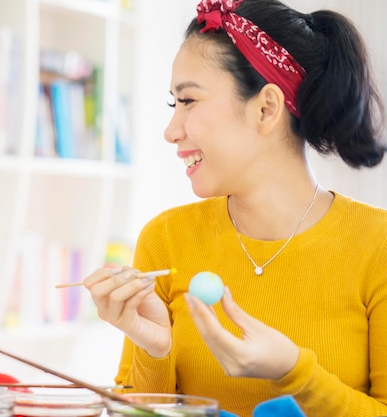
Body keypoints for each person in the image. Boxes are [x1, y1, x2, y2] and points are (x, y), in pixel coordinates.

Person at [83, 0, 387, 416]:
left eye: (187, 100)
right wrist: (153, 351)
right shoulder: (165, 240)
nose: (171, 131)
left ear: (266, 108)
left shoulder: (377, 245)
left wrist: (295, 372)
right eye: (175, 105)